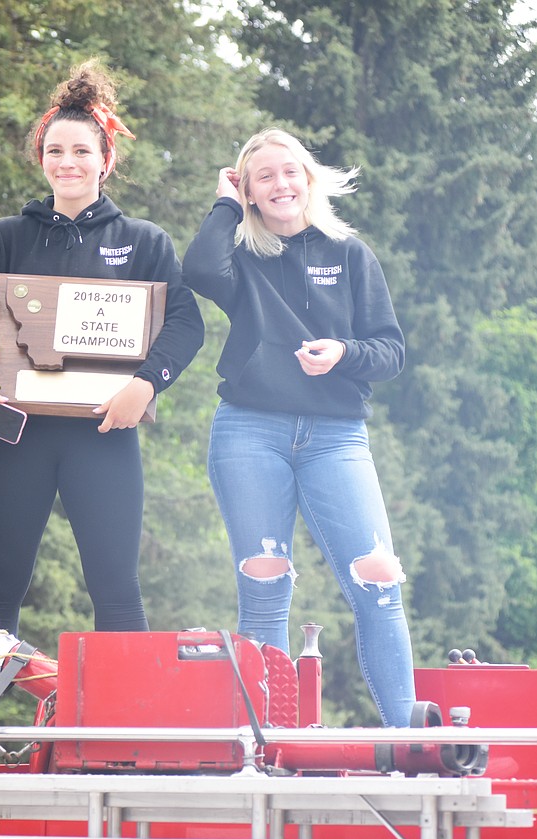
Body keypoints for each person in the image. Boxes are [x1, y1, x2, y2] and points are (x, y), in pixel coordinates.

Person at [0, 60, 205, 743]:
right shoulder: (5, 238)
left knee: (115, 584)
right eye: (55, 151)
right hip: (14, 438)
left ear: (105, 159)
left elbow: (186, 323)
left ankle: (128, 738)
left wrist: (147, 381)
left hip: (104, 438)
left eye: (82, 151)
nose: (68, 162)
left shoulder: (143, 242)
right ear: (40, 160)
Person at [180, 128, 415, 727]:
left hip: (337, 437)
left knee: (380, 580)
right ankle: (269, 744)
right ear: (250, 192)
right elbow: (199, 269)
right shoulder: (242, 257)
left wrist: (343, 352)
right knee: (264, 586)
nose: (281, 184)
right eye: (264, 177)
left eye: (291, 172)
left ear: (308, 178)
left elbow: (390, 351)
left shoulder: (351, 253)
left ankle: (407, 736)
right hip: (249, 432)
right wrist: (224, 205)